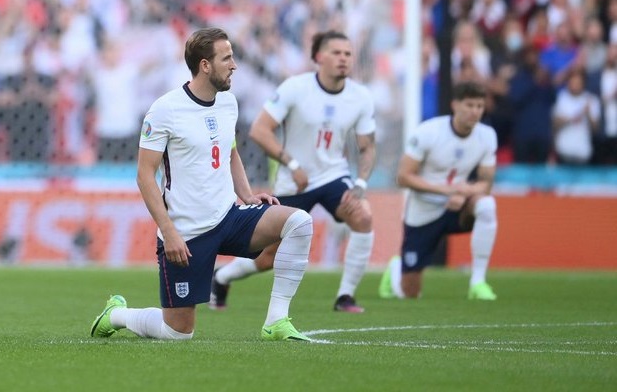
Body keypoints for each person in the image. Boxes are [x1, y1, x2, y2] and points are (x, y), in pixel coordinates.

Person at [89, 27, 314, 341]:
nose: (234, 65)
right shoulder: (165, 109)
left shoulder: (228, 103)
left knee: (299, 223)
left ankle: (276, 321)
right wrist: (168, 232)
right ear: (205, 65)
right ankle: (117, 314)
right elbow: (144, 176)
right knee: (178, 332)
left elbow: (229, 151)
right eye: (227, 58)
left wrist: (247, 195)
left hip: (229, 217)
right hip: (186, 232)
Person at [210, 30, 376, 313]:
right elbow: (260, 131)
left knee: (362, 216)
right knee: (268, 257)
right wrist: (293, 164)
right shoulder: (295, 88)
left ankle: (345, 296)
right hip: (295, 181)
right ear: (318, 57)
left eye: (348, 54)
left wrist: (360, 182)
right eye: (336, 53)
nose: (343, 59)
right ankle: (221, 277)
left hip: (333, 176)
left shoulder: (361, 97)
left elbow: (367, 146)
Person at [379, 81, 498, 300]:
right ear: (455, 105)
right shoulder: (428, 132)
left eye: (480, 106)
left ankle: (478, 282)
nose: (475, 112)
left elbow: (486, 183)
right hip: (423, 211)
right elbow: (403, 177)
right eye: (470, 105)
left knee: (486, 204)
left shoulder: (487, 135)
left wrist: (464, 192)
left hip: (458, 206)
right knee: (410, 294)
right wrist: (447, 191)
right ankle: (397, 268)